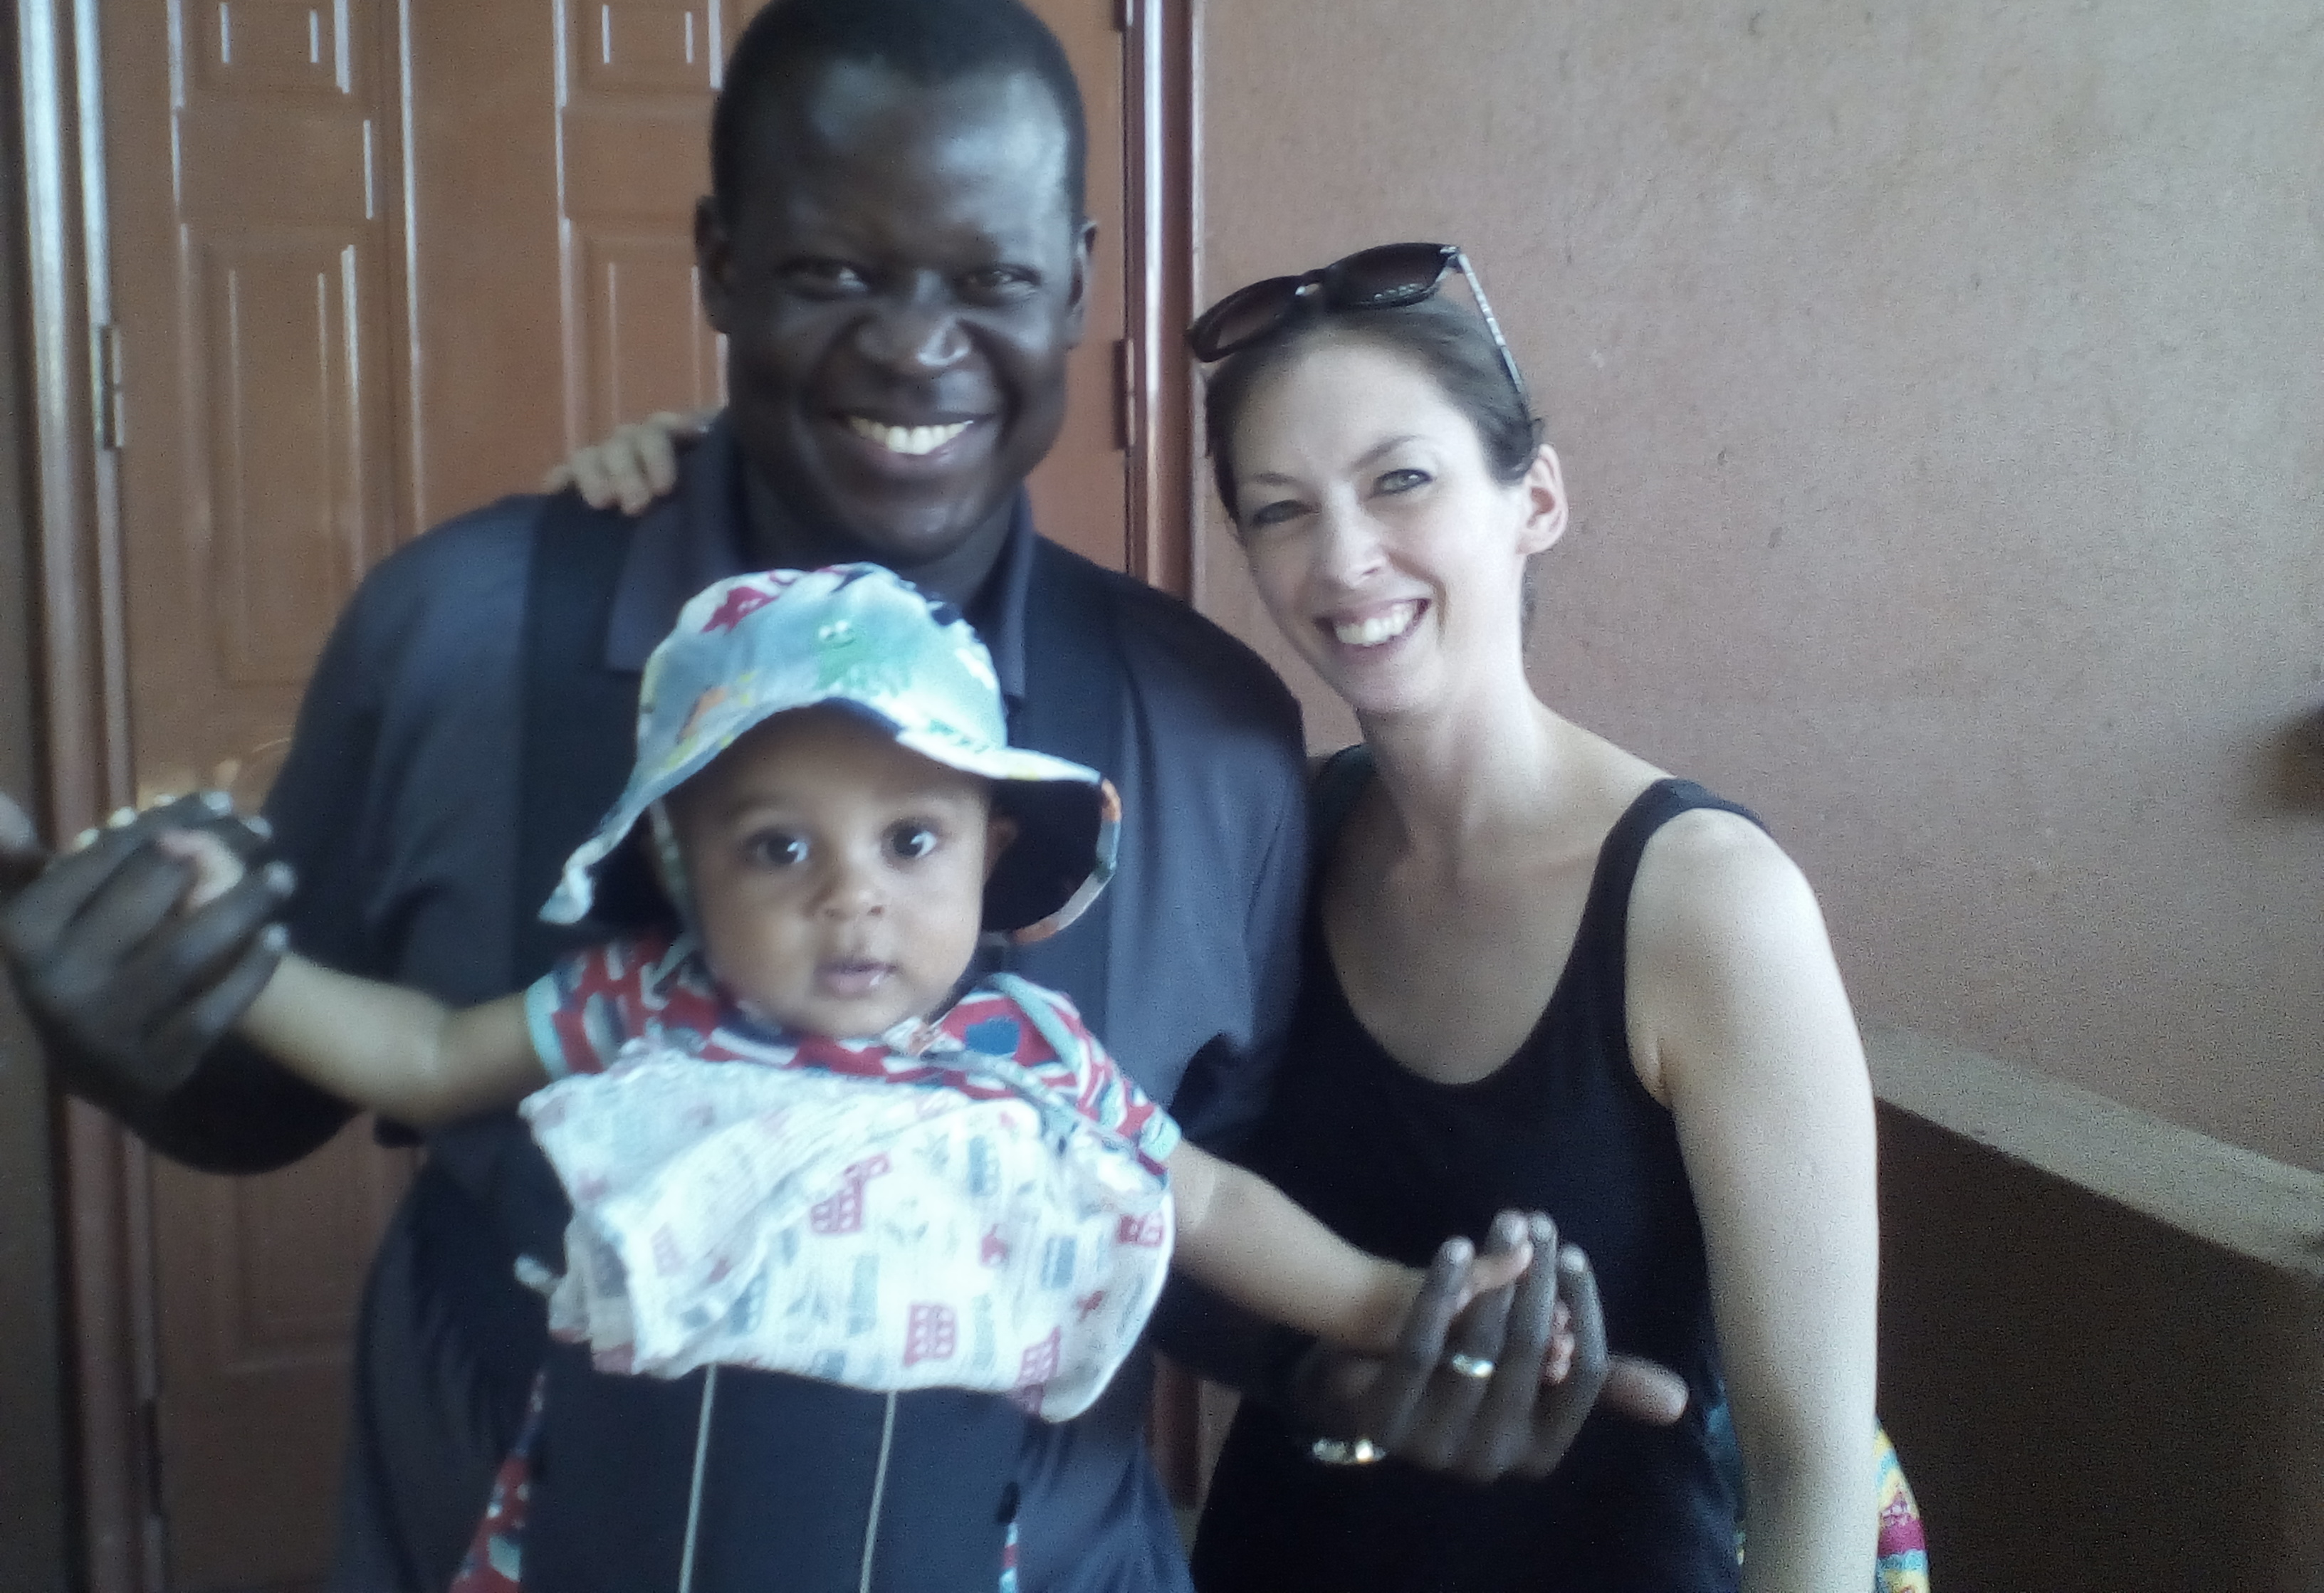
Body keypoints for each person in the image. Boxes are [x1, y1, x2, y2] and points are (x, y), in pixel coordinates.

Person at [0, 0, 1673, 1593]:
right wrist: (129, 1023)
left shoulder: (1210, 739)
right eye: (829, 273)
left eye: (989, 278)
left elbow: (1197, 1223)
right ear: (721, 267)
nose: (916, 347)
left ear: (1074, 285)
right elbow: (287, 1081)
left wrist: (1362, 1365)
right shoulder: (458, 636)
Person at [551, 241, 1882, 1591]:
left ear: (1532, 497)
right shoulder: (1289, 827)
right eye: (1282, 510)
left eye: (1401, 481)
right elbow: (1153, 1197)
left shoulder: (1710, 904)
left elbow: (1813, 1462)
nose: (1345, 558)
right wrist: (748, 485)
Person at [160, 562, 1557, 1588]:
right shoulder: (641, 1009)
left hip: (926, 1540)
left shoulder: (1028, 1058)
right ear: (681, 866)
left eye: (911, 842)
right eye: (779, 849)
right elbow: (421, 1054)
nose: (852, 898)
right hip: (630, 1535)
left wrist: (1392, 1306)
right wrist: (234, 959)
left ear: (992, 854)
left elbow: (1210, 1204)